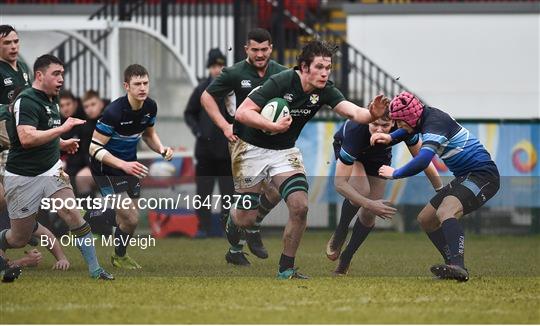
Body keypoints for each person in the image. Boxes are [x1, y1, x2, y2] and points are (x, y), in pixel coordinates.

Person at [233, 40, 388, 279]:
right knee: (245, 218)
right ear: (304, 67)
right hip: (250, 148)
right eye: (319, 67)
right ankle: (233, 221)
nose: (325, 73)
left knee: (300, 206)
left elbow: (353, 112)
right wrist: (272, 125)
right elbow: (242, 113)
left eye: (328, 67)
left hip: (284, 150)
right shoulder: (282, 81)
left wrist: (371, 115)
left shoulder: (325, 90)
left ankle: (286, 269)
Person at [0, 54, 113, 280]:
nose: (61, 78)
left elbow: (44, 133)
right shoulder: (27, 100)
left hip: (51, 170)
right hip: (22, 175)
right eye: (56, 74)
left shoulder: (52, 99)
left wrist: (62, 143)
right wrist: (62, 131)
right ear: (40, 76)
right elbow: (27, 138)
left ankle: (96, 270)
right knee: (19, 238)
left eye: (62, 73)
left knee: (71, 213)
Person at [373, 91, 500, 282]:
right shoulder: (423, 118)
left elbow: (423, 160)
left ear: (411, 117)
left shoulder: (435, 124)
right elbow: (408, 129)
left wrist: (395, 173)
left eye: (400, 122)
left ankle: (458, 266)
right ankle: (452, 265)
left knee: (445, 212)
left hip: (483, 176)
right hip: (465, 176)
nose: (398, 126)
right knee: (426, 219)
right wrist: (390, 138)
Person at [201, 28, 286, 265]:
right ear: (246, 49)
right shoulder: (234, 72)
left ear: (271, 48)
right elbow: (206, 97)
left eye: (264, 49)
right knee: (247, 207)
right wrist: (224, 126)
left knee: (279, 190)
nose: (260, 54)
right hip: (244, 144)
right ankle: (238, 245)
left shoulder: (281, 73)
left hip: (273, 144)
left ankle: (252, 229)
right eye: (255, 49)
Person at [328, 108, 443, 275]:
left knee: (368, 214)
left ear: (394, 123)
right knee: (361, 189)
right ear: (368, 120)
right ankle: (341, 230)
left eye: (385, 125)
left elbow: (424, 161)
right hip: (353, 153)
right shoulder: (355, 131)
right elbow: (339, 184)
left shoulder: (403, 130)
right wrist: (369, 203)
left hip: (378, 157)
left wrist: (440, 190)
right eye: (375, 124)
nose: (379, 130)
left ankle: (347, 256)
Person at [89, 64, 173, 269]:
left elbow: (149, 134)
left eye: (145, 83)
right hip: (107, 168)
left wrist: (162, 149)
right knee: (132, 218)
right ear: (127, 86)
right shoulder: (113, 112)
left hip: (130, 165)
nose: (142, 88)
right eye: (137, 84)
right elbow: (93, 148)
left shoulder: (150, 106)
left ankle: (117, 254)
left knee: (127, 221)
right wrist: (122, 165)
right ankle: (91, 218)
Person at [185, 48, 234, 238]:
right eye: (214, 66)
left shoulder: (231, 90)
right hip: (204, 151)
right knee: (203, 193)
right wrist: (198, 131)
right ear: (208, 68)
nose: (217, 70)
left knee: (228, 193)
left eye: (221, 65)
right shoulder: (200, 89)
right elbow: (189, 113)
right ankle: (203, 227)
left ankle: (227, 228)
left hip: (226, 150)